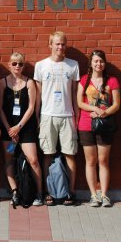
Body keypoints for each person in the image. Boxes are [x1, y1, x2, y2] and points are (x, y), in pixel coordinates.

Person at [33, 31, 79, 206]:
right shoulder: (41, 65)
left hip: (67, 116)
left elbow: (74, 94)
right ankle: (48, 192)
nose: (60, 47)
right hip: (48, 115)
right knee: (47, 154)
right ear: (50, 45)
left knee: (70, 155)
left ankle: (70, 192)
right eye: (57, 44)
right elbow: (38, 95)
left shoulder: (73, 65)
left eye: (63, 44)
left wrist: (76, 116)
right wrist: (38, 116)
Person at [0, 51, 43, 207]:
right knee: (9, 159)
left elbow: (31, 108)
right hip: (8, 130)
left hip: (25, 128)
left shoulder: (29, 83)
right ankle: (15, 191)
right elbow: (0, 108)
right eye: (14, 63)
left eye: (20, 64)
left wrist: (19, 127)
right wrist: (9, 129)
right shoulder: (2, 83)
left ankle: (39, 193)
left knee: (33, 160)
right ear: (9, 65)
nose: (17, 66)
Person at [76, 50, 121, 208]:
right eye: (95, 61)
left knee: (103, 160)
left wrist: (104, 112)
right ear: (91, 63)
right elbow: (80, 102)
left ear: (104, 63)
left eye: (101, 61)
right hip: (86, 124)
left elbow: (116, 104)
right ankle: (93, 195)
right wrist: (94, 109)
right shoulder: (84, 80)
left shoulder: (112, 81)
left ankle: (104, 195)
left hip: (105, 124)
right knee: (90, 161)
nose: (98, 64)